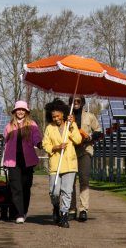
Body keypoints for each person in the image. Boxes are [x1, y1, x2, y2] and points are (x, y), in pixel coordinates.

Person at [41, 98, 82, 229]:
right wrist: (56, 147)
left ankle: (64, 216)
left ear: (63, 114)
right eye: (53, 116)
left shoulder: (71, 124)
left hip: (69, 164)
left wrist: (71, 127)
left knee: (67, 191)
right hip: (55, 164)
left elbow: (78, 140)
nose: (56, 118)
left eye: (58, 116)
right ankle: (56, 207)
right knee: (54, 192)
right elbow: (45, 144)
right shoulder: (49, 128)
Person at [3, 100, 42, 223]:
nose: (20, 112)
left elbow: (36, 137)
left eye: (22, 110)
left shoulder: (32, 124)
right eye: (18, 110)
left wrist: (39, 143)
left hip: (27, 161)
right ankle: (18, 214)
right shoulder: (9, 126)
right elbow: (5, 141)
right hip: (13, 161)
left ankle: (24, 210)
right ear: (15, 112)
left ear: (26, 112)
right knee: (16, 188)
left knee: (26, 187)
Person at [68, 94, 102, 222]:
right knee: (70, 181)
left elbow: (99, 132)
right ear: (70, 102)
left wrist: (91, 137)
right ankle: (71, 209)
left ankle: (83, 209)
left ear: (82, 102)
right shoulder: (66, 117)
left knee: (84, 179)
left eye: (78, 101)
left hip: (85, 151)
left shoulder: (90, 116)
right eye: (73, 101)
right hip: (70, 152)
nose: (76, 103)